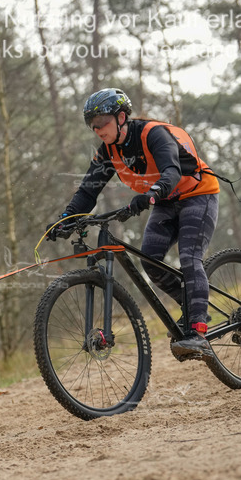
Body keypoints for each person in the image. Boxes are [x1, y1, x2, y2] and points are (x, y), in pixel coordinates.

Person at [52, 88, 220, 360]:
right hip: (165, 202)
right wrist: (65, 219)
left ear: (121, 117)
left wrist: (152, 192)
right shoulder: (108, 152)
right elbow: (87, 192)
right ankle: (192, 307)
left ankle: (198, 332)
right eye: (92, 126)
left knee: (189, 258)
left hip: (197, 195)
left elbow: (172, 170)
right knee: (150, 260)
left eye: (101, 123)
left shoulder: (152, 134)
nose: (97, 130)